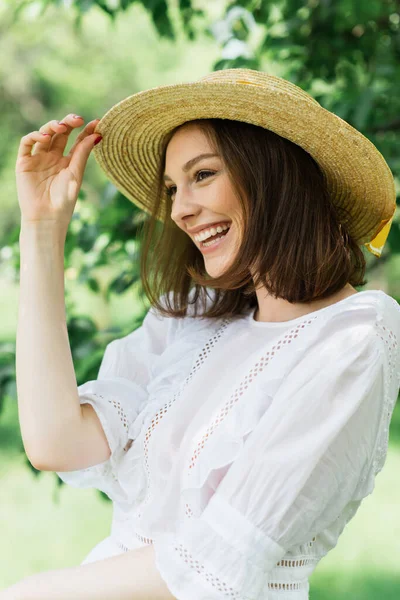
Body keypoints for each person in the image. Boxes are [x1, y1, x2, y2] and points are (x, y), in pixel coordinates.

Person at [8, 68, 400, 599]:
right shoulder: (194, 317)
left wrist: (32, 593)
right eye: (172, 187)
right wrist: (43, 229)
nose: (181, 210)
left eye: (203, 175)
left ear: (273, 174)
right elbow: (56, 441)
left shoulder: (350, 338)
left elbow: (217, 562)